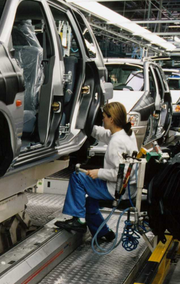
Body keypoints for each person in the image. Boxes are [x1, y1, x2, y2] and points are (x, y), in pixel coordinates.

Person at [55, 102, 138, 242]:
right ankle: (104, 232)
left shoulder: (117, 142)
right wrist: (85, 124)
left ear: (111, 119)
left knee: (77, 176)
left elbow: (121, 175)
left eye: (104, 117)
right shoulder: (125, 134)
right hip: (128, 188)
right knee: (89, 202)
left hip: (118, 189)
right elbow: (104, 134)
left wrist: (98, 172)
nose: (102, 119)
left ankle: (78, 220)